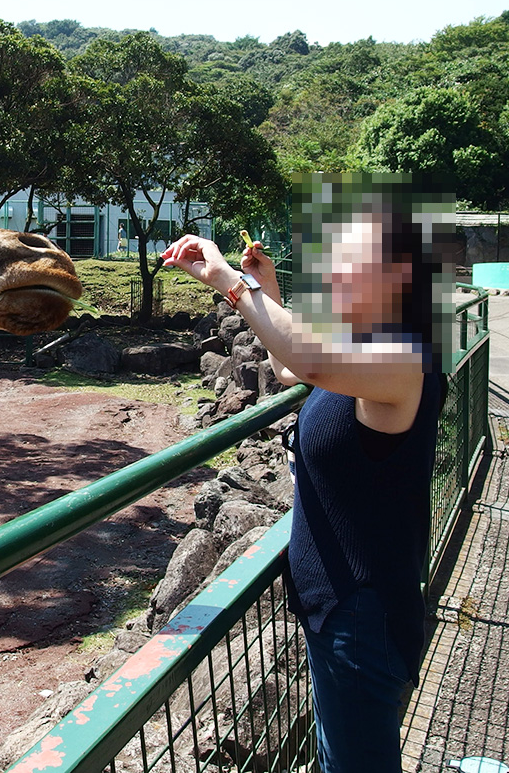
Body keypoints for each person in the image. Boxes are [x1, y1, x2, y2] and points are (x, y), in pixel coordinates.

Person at [161, 205, 446, 773]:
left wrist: (231, 280)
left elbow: (309, 359)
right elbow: (290, 365)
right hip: (339, 605)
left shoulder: (403, 358)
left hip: (361, 617)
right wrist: (263, 289)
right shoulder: (367, 347)